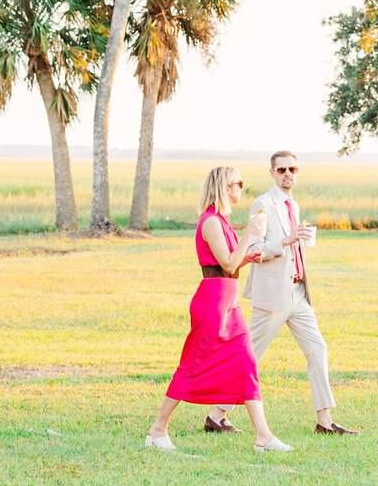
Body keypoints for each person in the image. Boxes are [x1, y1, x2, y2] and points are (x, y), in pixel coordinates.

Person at [145, 164, 292, 453]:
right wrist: (250, 234)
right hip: (213, 302)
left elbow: (230, 262)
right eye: (238, 183)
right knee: (192, 365)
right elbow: (225, 264)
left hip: (230, 301)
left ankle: (263, 436)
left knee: (247, 364)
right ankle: (157, 429)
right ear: (225, 187)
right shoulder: (211, 221)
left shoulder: (222, 220)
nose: (241, 188)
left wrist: (247, 257)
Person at [213, 149, 358, 437]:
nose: (288, 174)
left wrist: (300, 239)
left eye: (292, 169)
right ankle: (216, 414)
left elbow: (292, 245)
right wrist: (286, 240)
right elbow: (254, 249)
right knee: (250, 354)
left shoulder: (295, 205)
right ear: (272, 173)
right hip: (273, 295)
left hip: (299, 293)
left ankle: (325, 421)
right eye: (282, 170)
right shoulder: (263, 203)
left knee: (317, 349)